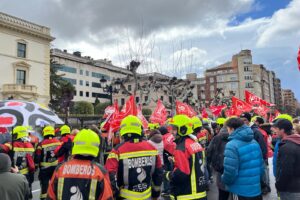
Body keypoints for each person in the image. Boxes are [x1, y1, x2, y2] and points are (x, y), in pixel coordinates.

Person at [105, 115, 163, 200]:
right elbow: (158, 174)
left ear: (122, 132)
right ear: (140, 129)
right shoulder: (152, 148)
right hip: (148, 196)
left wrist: (115, 195)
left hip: (125, 197)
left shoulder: (116, 151)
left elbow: (110, 176)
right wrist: (155, 194)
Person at [47, 129, 113, 199]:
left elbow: (50, 197)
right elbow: (107, 197)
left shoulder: (60, 169)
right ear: (96, 147)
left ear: (75, 145)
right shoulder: (100, 171)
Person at [165, 114, 207, 199]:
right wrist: (175, 160)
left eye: (174, 129)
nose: (171, 132)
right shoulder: (195, 143)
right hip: (200, 192)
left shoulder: (181, 147)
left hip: (186, 194)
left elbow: (181, 174)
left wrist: (167, 175)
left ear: (182, 130)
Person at [222, 117, 263, 200]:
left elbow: (230, 171)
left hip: (240, 190)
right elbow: (261, 166)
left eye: (228, 129)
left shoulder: (231, 145)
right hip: (256, 189)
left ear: (232, 129)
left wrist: (224, 179)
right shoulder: (254, 142)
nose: (228, 131)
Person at [0, 126, 35, 198]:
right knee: (25, 194)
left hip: (13, 174)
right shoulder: (30, 145)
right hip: (26, 174)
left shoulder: (11, 144)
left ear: (19, 134)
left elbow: (2, 148)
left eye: (14, 135)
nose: (13, 136)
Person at [274, 119, 300, 199]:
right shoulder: (295, 141)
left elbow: (286, 171)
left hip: (290, 189)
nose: (275, 131)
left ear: (282, 130)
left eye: (277, 129)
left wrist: (279, 185)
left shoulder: (287, 147)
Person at [34, 125, 61, 200]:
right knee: (55, 184)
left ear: (44, 133)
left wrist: (36, 166)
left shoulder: (41, 144)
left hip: (44, 169)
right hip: (56, 167)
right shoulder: (58, 142)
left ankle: (44, 198)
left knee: (45, 186)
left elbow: (38, 156)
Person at [207, 121, 230, 200]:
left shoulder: (217, 137)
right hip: (235, 170)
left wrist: (209, 163)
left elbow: (209, 151)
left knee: (222, 194)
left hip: (220, 169)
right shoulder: (237, 137)